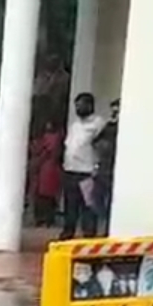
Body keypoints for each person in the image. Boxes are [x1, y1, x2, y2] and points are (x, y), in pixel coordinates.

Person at [60, 92, 107, 240]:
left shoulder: (98, 123)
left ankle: (89, 237)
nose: (78, 108)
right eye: (76, 105)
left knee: (88, 207)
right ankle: (68, 234)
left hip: (87, 172)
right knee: (70, 206)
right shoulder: (75, 125)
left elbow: (101, 145)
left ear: (90, 105)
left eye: (81, 105)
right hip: (70, 171)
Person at [91, 99, 120, 238]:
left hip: (115, 169)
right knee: (96, 198)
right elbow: (95, 141)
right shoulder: (109, 126)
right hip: (104, 167)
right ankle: (103, 223)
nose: (114, 114)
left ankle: (108, 229)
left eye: (117, 110)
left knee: (111, 202)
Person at [31, 120, 63, 227]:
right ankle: (43, 218)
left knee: (46, 195)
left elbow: (48, 151)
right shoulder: (48, 138)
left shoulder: (55, 138)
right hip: (43, 168)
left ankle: (46, 218)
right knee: (42, 195)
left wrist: (38, 161)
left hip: (47, 168)